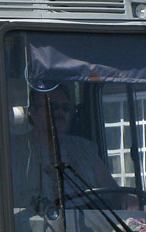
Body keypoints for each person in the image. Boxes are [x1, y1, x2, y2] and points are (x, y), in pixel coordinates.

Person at [11, 85, 117, 213]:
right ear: (33, 112)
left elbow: (113, 193)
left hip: (87, 228)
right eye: (53, 107)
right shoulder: (11, 152)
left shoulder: (85, 149)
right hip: (34, 229)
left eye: (65, 108)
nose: (60, 113)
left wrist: (128, 201)